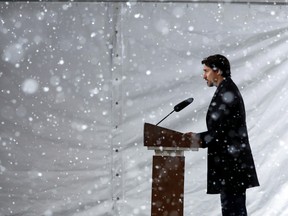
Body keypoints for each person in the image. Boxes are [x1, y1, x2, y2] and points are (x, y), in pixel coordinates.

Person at [187, 54, 259, 216]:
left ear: (217, 71)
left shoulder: (227, 92)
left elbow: (221, 132)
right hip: (231, 165)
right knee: (233, 211)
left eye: (206, 71)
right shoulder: (225, 90)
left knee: (233, 211)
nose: (204, 76)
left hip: (232, 165)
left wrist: (194, 139)